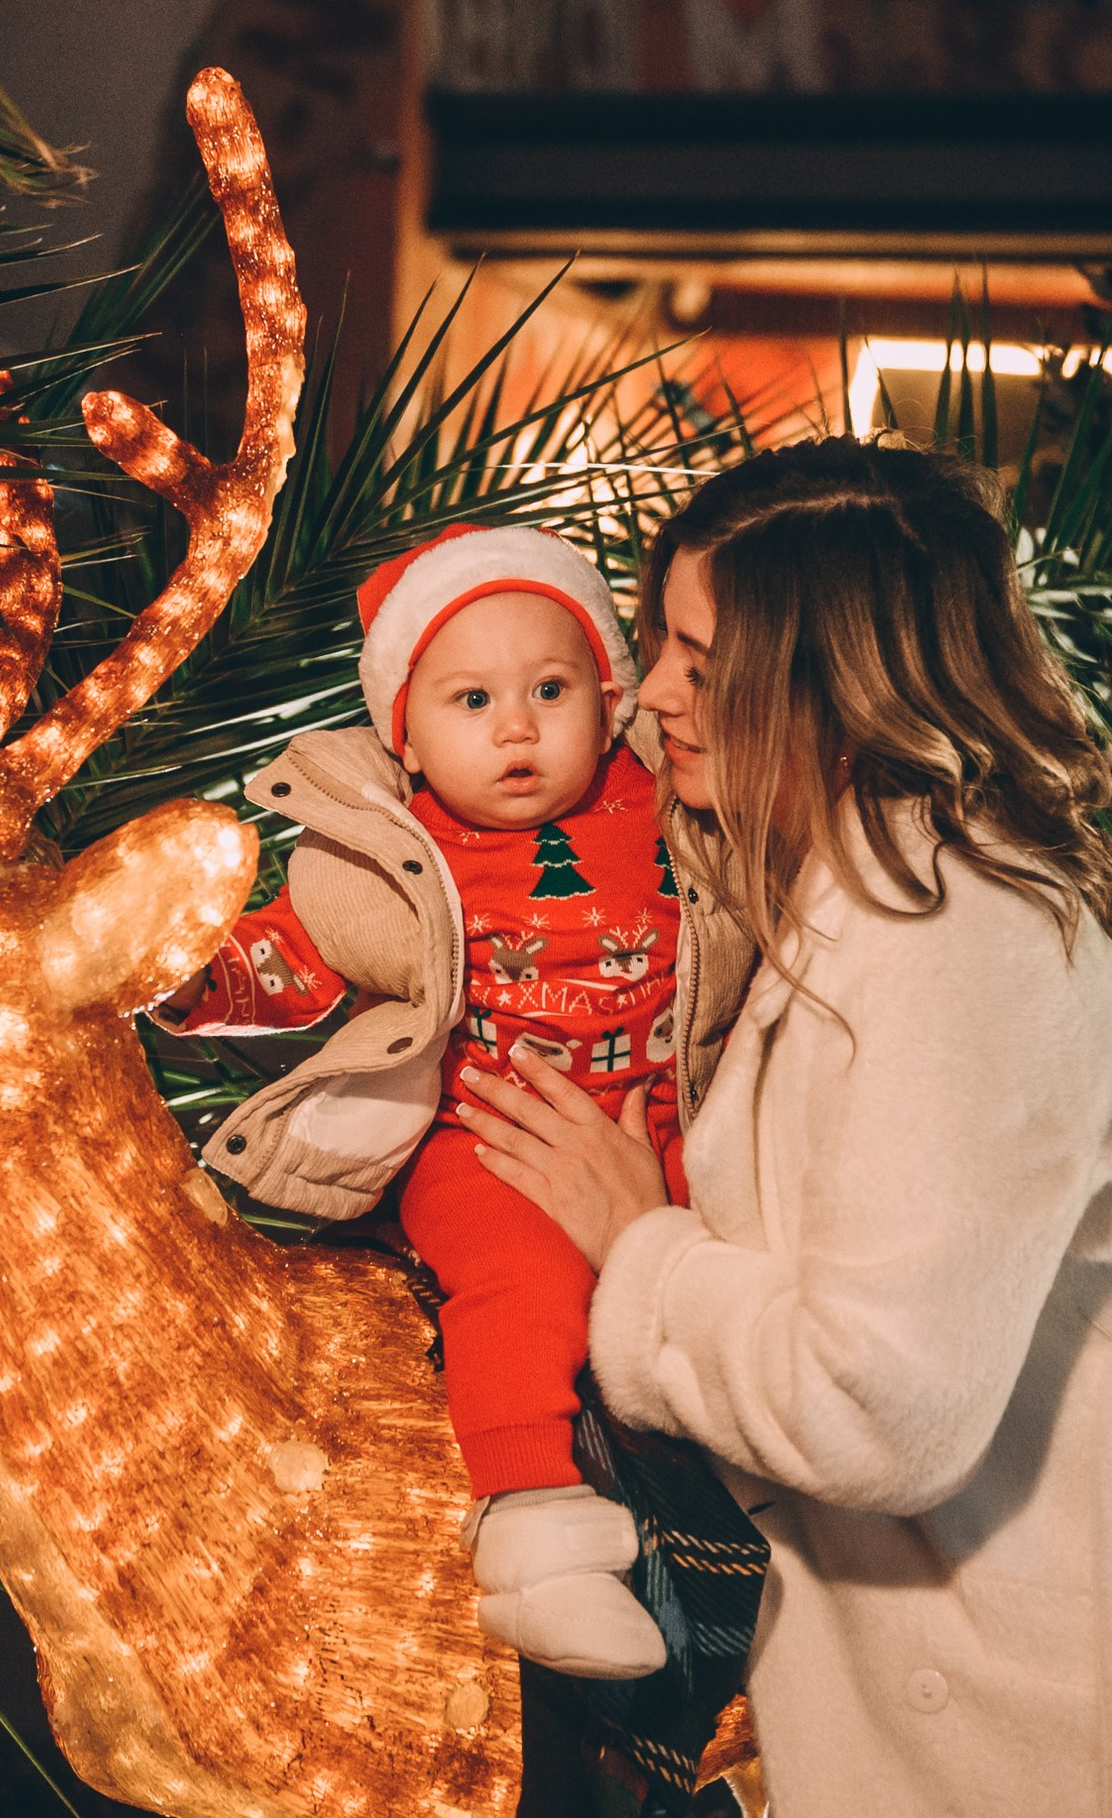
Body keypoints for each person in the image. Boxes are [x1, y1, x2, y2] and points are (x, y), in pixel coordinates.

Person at [456, 439, 1112, 1816]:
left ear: (830, 686)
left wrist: (642, 1251)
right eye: (657, 645)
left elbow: (878, 1405)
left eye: (701, 661)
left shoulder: (950, 940)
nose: (654, 696)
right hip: (1076, 1561)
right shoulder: (831, 857)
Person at [158, 524, 755, 1683]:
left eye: (549, 689)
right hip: (482, 1134)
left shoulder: (674, 800)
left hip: (665, 1112)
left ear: (610, 699)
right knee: (516, 1283)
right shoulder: (390, 850)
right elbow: (299, 948)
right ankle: (535, 1530)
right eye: (472, 699)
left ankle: (753, 1514)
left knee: (736, 1247)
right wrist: (196, 978)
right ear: (407, 735)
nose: (516, 727)